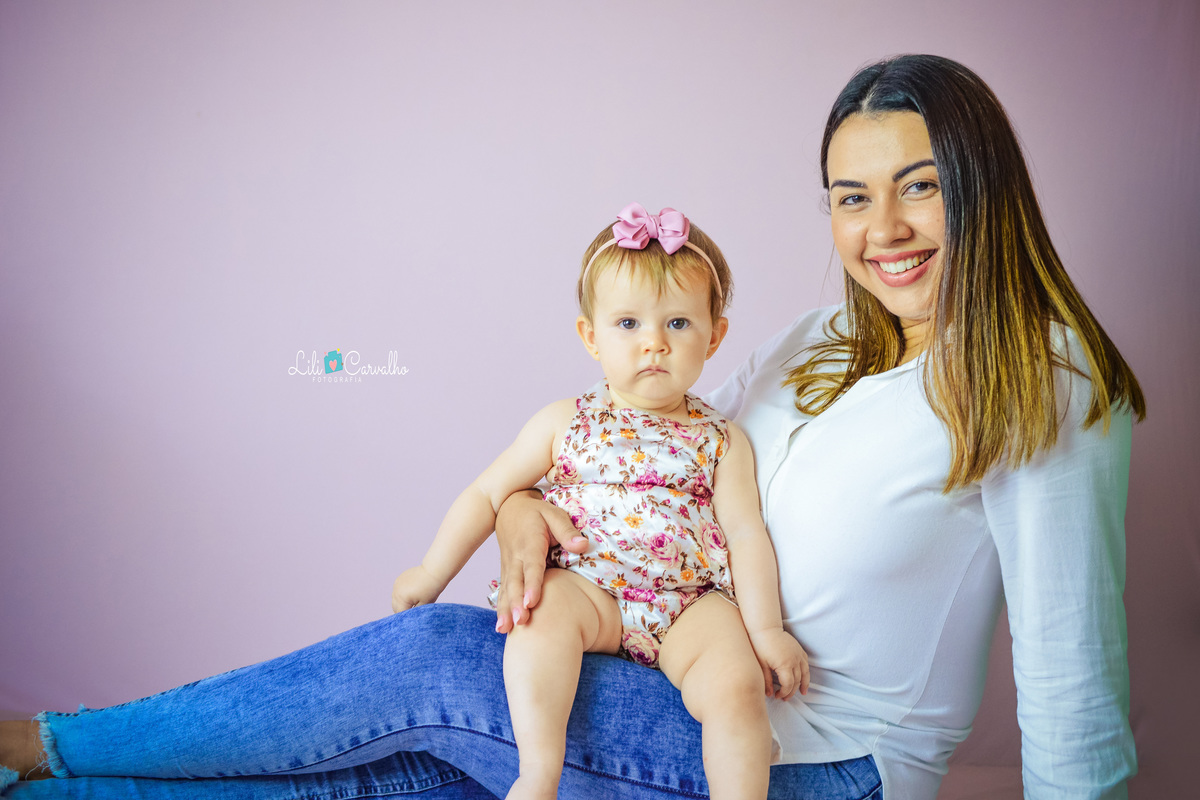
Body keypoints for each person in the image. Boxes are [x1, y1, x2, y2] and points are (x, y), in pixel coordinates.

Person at [0, 53, 1143, 800]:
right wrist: (527, 505)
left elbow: (1071, 689)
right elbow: (654, 457)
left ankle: (46, 742)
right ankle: (47, 784)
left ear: (984, 184)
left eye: (922, 184)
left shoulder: (1045, 384)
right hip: (664, 675)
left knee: (428, 658)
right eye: (851, 196)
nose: (882, 226)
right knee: (398, 771)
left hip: (815, 760)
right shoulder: (810, 341)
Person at [389, 202, 809, 799]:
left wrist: (765, 630)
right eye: (629, 324)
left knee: (736, 683)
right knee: (536, 618)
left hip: (685, 602)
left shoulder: (722, 441)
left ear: (715, 337)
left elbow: (745, 535)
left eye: (679, 325)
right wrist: (431, 573)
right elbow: (489, 492)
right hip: (589, 587)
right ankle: (539, 773)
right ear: (591, 336)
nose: (655, 345)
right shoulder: (564, 422)